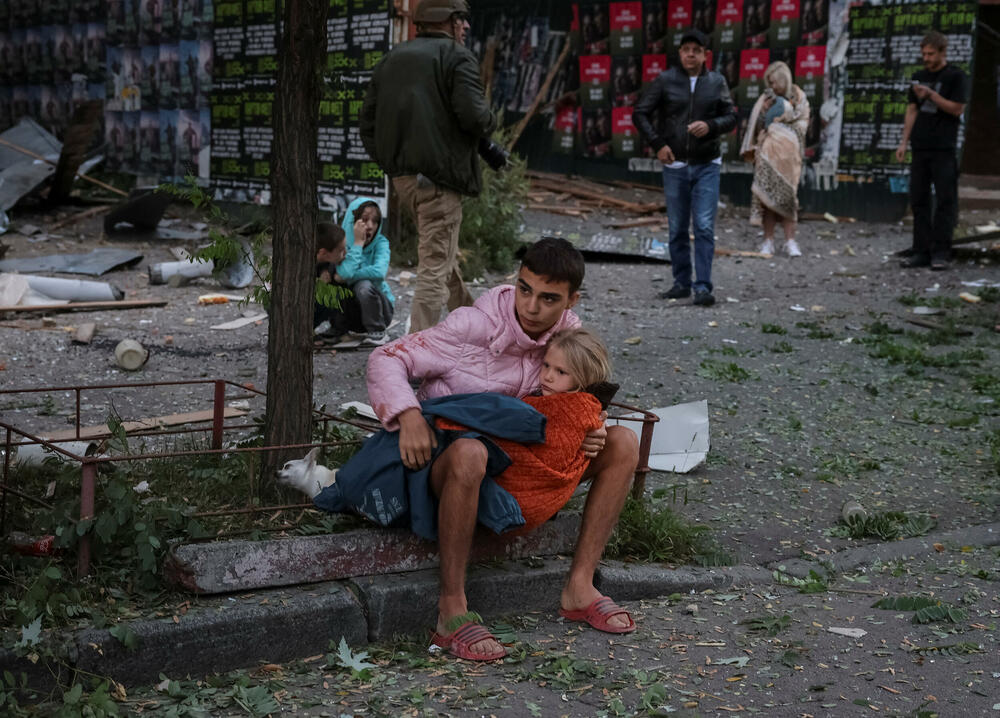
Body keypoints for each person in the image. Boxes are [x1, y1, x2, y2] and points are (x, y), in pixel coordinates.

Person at [366, 237, 640, 660]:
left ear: (571, 300)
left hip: (522, 468)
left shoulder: (567, 335)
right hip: (446, 462)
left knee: (624, 442)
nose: (531, 307)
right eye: (524, 289)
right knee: (471, 453)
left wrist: (592, 430)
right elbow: (386, 358)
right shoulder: (469, 327)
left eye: (549, 299)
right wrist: (409, 415)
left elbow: (578, 400)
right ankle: (451, 609)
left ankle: (579, 587)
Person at [360, 0, 496, 333]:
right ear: (446, 21)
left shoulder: (392, 59)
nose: (465, 27)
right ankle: (419, 351)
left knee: (439, 254)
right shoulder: (456, 56)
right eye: (460, 20)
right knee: (435, 267)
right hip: (440, 181)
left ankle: (478, 324)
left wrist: (392, 164)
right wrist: (489, 122)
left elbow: (367, 123)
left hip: (405, 181)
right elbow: (475, 116)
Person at [633, 28, 737, 307]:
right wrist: (658, 144)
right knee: (678, 227)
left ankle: (703, 287)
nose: (690, 54)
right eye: (685, 49)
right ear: (679, 53)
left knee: (703, 226)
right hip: (675, 164)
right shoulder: (666, 80)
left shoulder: (716, 82)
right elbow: (640, 112)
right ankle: (681, 283)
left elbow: (732, 117)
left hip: (707, 165)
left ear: (706, 55)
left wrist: (711, 126)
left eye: (696, 50)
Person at [894, 31, 968, 271]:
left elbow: (957, 109)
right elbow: (912, 110)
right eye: (923, 53)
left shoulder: (955, 76)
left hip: (944, 147)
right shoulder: (918, 77)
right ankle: (921, 250)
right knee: (919, 199)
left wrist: (933, 95)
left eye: (931, 54)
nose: (926, 58)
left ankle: (941, 251)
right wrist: (903, 142)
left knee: (946, 200)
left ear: (942, 52)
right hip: (920, 146)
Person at [739, 61, 810, 257]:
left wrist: (783, 123)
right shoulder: (766, 99)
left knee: (788, 200)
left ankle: (790, 242)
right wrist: (764, 112)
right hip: (768, 156)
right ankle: (768, 241)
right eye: (769, 82)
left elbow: (802, 126)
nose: (772, 87)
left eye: (775, 82)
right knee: (766, 199)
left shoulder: (800, 99)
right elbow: (757, 126)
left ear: (783, 80)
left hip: (789, 158)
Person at [332, 198, 395, 346]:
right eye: (365, 220)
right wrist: (357, 244)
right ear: (352, 221)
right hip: (353, 316)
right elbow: (340, 275)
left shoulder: (381, 243)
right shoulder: (342, 242)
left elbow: (379, 272)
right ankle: (339, 328)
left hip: (381, 311)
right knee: (331, 283)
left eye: (375, 221)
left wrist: (348, 277)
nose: (370, 226)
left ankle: (377, 332)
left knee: (363, 285)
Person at [313, 221, 348, 334]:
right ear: (323, 253)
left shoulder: (323, 259)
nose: (345, 253)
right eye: (340, 250)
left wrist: (324, 270)